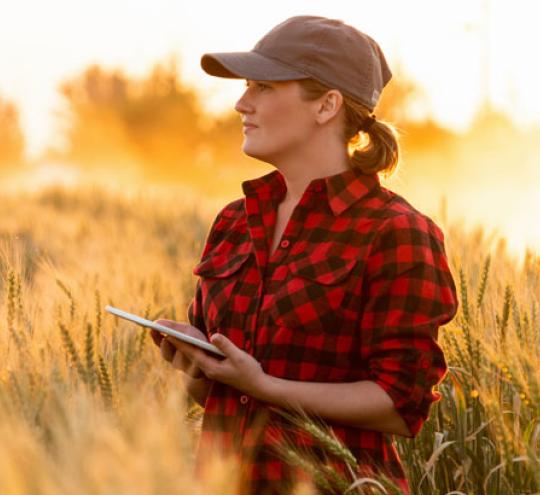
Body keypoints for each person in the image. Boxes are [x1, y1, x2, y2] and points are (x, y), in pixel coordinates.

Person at [150, 15, 459, 495]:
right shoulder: (234, 222)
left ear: (327, 105)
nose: (241, 103)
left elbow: (401, 406)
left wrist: (266, 388)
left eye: (263, 87)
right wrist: (196, 365)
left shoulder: (395, 232)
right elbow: (218, 395)